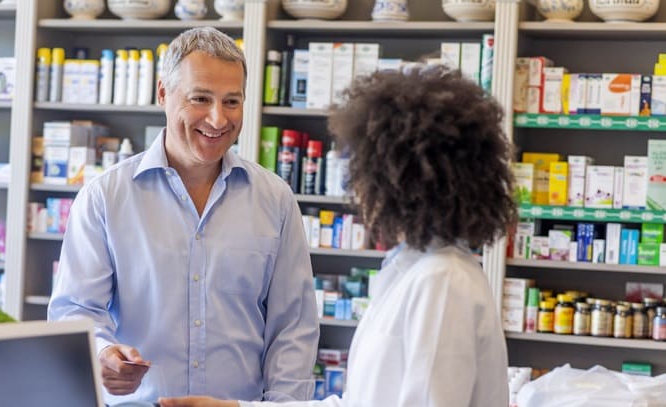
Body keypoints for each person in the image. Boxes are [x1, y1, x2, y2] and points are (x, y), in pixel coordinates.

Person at [158, 65, 518, 407]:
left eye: (361, 169)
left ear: (399, 181)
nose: (356, 188)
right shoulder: (412, 270)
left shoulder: (442, 282)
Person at [47, 27, 319, 405]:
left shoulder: (275, 199)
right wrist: (102, 354)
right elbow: (75, 310)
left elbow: (293, 327)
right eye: (200, 98)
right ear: (163, 93)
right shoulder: (105, 197)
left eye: (232, 101)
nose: (218, 118)